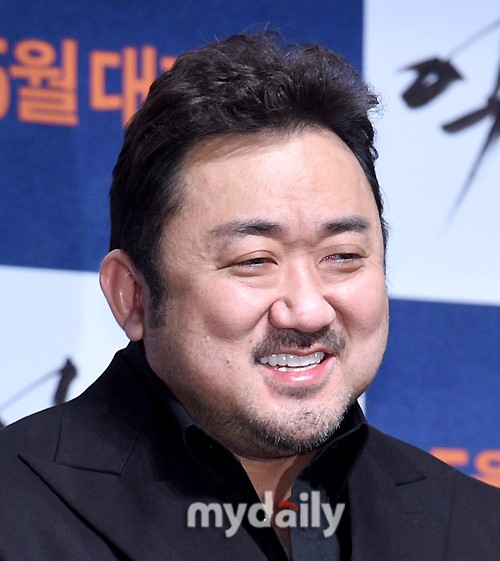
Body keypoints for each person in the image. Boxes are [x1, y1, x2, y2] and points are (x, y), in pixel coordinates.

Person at [0, 33, 498, 560]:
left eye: (343, 256)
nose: (308, 311)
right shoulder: (18, 509)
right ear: (133, 295)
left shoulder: (477, 529)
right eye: (254, 261)